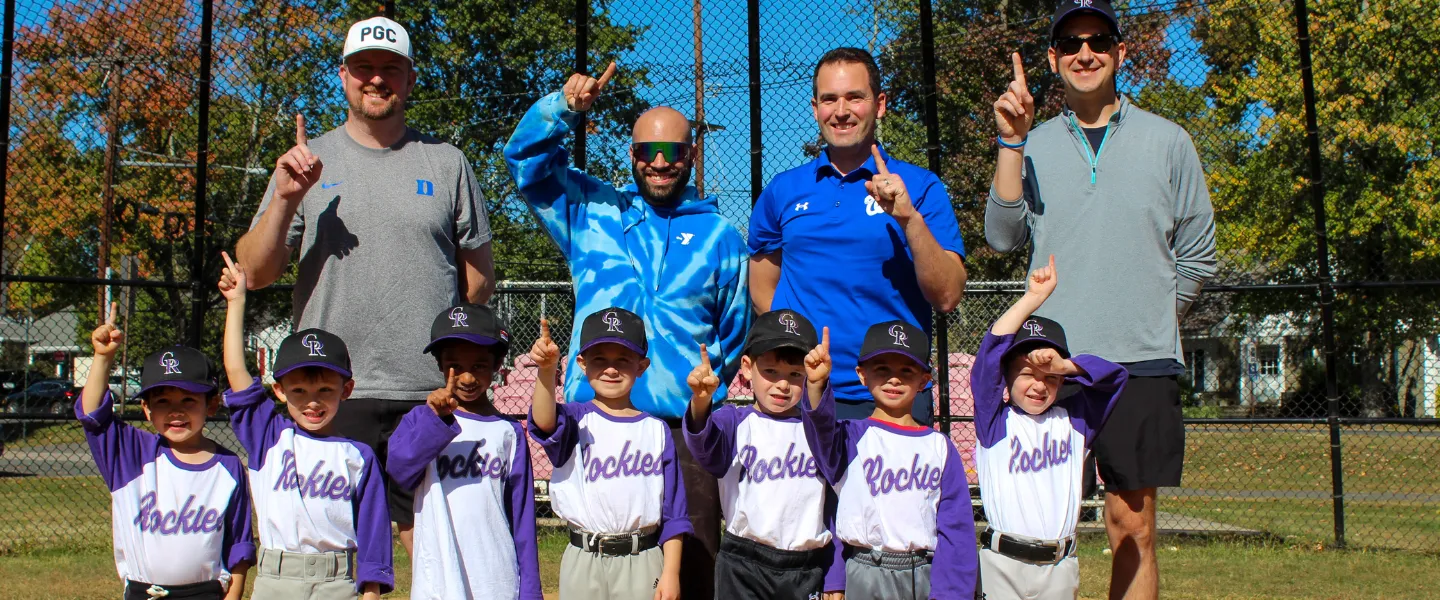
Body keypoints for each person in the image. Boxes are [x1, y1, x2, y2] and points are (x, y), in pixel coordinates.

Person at [234, 15, 495, 554]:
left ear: (410, 78)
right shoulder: (305, 166)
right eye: (364, 68)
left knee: (434, 551)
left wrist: (437, 346)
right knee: (333, 554)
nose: (376, 79)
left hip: (426, 392)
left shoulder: (447, 164)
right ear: (343, 75)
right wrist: (285, 197)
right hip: (329, 392)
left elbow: (478, 279)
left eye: (390, 69)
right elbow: (255, 273)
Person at [986, 0, 1218, 596]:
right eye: (1069, 43)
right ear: (1053, 59)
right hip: (1051, 366)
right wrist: (1010, 143)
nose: (1083, 52)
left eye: (1097, 40)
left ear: (1121, 52)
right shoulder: (1030, 145)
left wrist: (1154, 321)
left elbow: (1197, 252)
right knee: (1034, 525)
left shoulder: (1169, 142)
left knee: (1131, 525)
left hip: (1138, 366)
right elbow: (1000, 236)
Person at [504, 62, 749, 598]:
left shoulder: (721, 238)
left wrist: (698, 403)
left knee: (692, 576)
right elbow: (524, 163)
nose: (660, 164)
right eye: (646, 152)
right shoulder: (593, 212)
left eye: (674, 153)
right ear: (631, 155)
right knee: (602, 558)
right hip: (597, 422)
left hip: (686, 432)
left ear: (691, 155)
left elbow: (732, 334)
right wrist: (563, 109)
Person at [749, 46, 967, 424]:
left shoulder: (920, 186)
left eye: (855, 97)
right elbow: (763, 292)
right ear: (815, 107)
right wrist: (795, 357)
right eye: (830, 99)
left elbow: (947, 296)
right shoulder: (782, 190)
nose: (842, 110)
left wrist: (909, 219)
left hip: (891, 396)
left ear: (879, 104)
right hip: (803, 393)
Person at [218, 254, 393, 599]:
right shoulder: (268, 434)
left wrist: (370, 593)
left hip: (336, 581)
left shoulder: (358, 456)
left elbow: (373, 533)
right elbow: (237, 373)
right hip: (276, 579)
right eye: (299, 391)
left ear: (346, 390)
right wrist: (237, 302)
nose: (312, 401)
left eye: (325, 390)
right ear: (280, 391)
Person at [971, 256, 1128, 599]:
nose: (1039, 385)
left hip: (1059, 564)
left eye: (1050, 378)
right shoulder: (994, 421)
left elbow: (1116, 378)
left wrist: (1067, 365)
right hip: (1003, 564)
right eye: (1027, 373)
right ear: (1006, 378)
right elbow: (988, 356)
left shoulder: (1074, 422)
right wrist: (1032, 300)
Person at [75, 305, 255, 600]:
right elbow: (92, 414)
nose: (175, 411)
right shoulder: (131, 454)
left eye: (188, 399)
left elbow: (239, 543)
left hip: (207, 593)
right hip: (144, 592)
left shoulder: (228, 466)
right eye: (161, 401)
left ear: (210, 405)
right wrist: (102, 358)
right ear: (146, 409)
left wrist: (233, 595)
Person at [800, 320, 977, 600]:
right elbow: (819, 429)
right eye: (882, 369)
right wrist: (816, 385)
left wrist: (952, 594)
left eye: (906, 371)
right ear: (862, 374)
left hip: (922, 572)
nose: (894, 379)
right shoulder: (849, 436)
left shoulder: (939, 446)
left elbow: (957, 529)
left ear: (924, 380)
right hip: (865, 568)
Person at [527, 308, 690, 599]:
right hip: (583, 555)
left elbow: (674, 512)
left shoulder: (656, 430)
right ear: (582, 363)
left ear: (641, 366)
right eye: (599, 359)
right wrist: (547, 370)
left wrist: (672, 572)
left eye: (623, 360)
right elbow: (543, 421)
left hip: (643, 556)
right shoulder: (574, 419)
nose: (611, 369)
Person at [385, 304, 542, 600]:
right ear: (440, 365)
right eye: (455, 366)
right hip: (439, 577)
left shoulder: (507, 431)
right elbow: (400, 469)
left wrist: (531, 590)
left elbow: (521, 516)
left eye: (479, 366)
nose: (467, 378)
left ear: (497, 365)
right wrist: (438, 420)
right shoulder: (422, 419)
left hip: (496, 577)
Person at [683, 310, 842, 600]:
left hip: (804, 565)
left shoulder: (818, 430)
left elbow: (834, 505)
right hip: (743, 563)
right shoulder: (733, 421)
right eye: (770, 371)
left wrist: (835, 576)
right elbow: (706, 450)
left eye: (796, 375)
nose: (783, 384)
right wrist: (701, 402)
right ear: (747, 367)